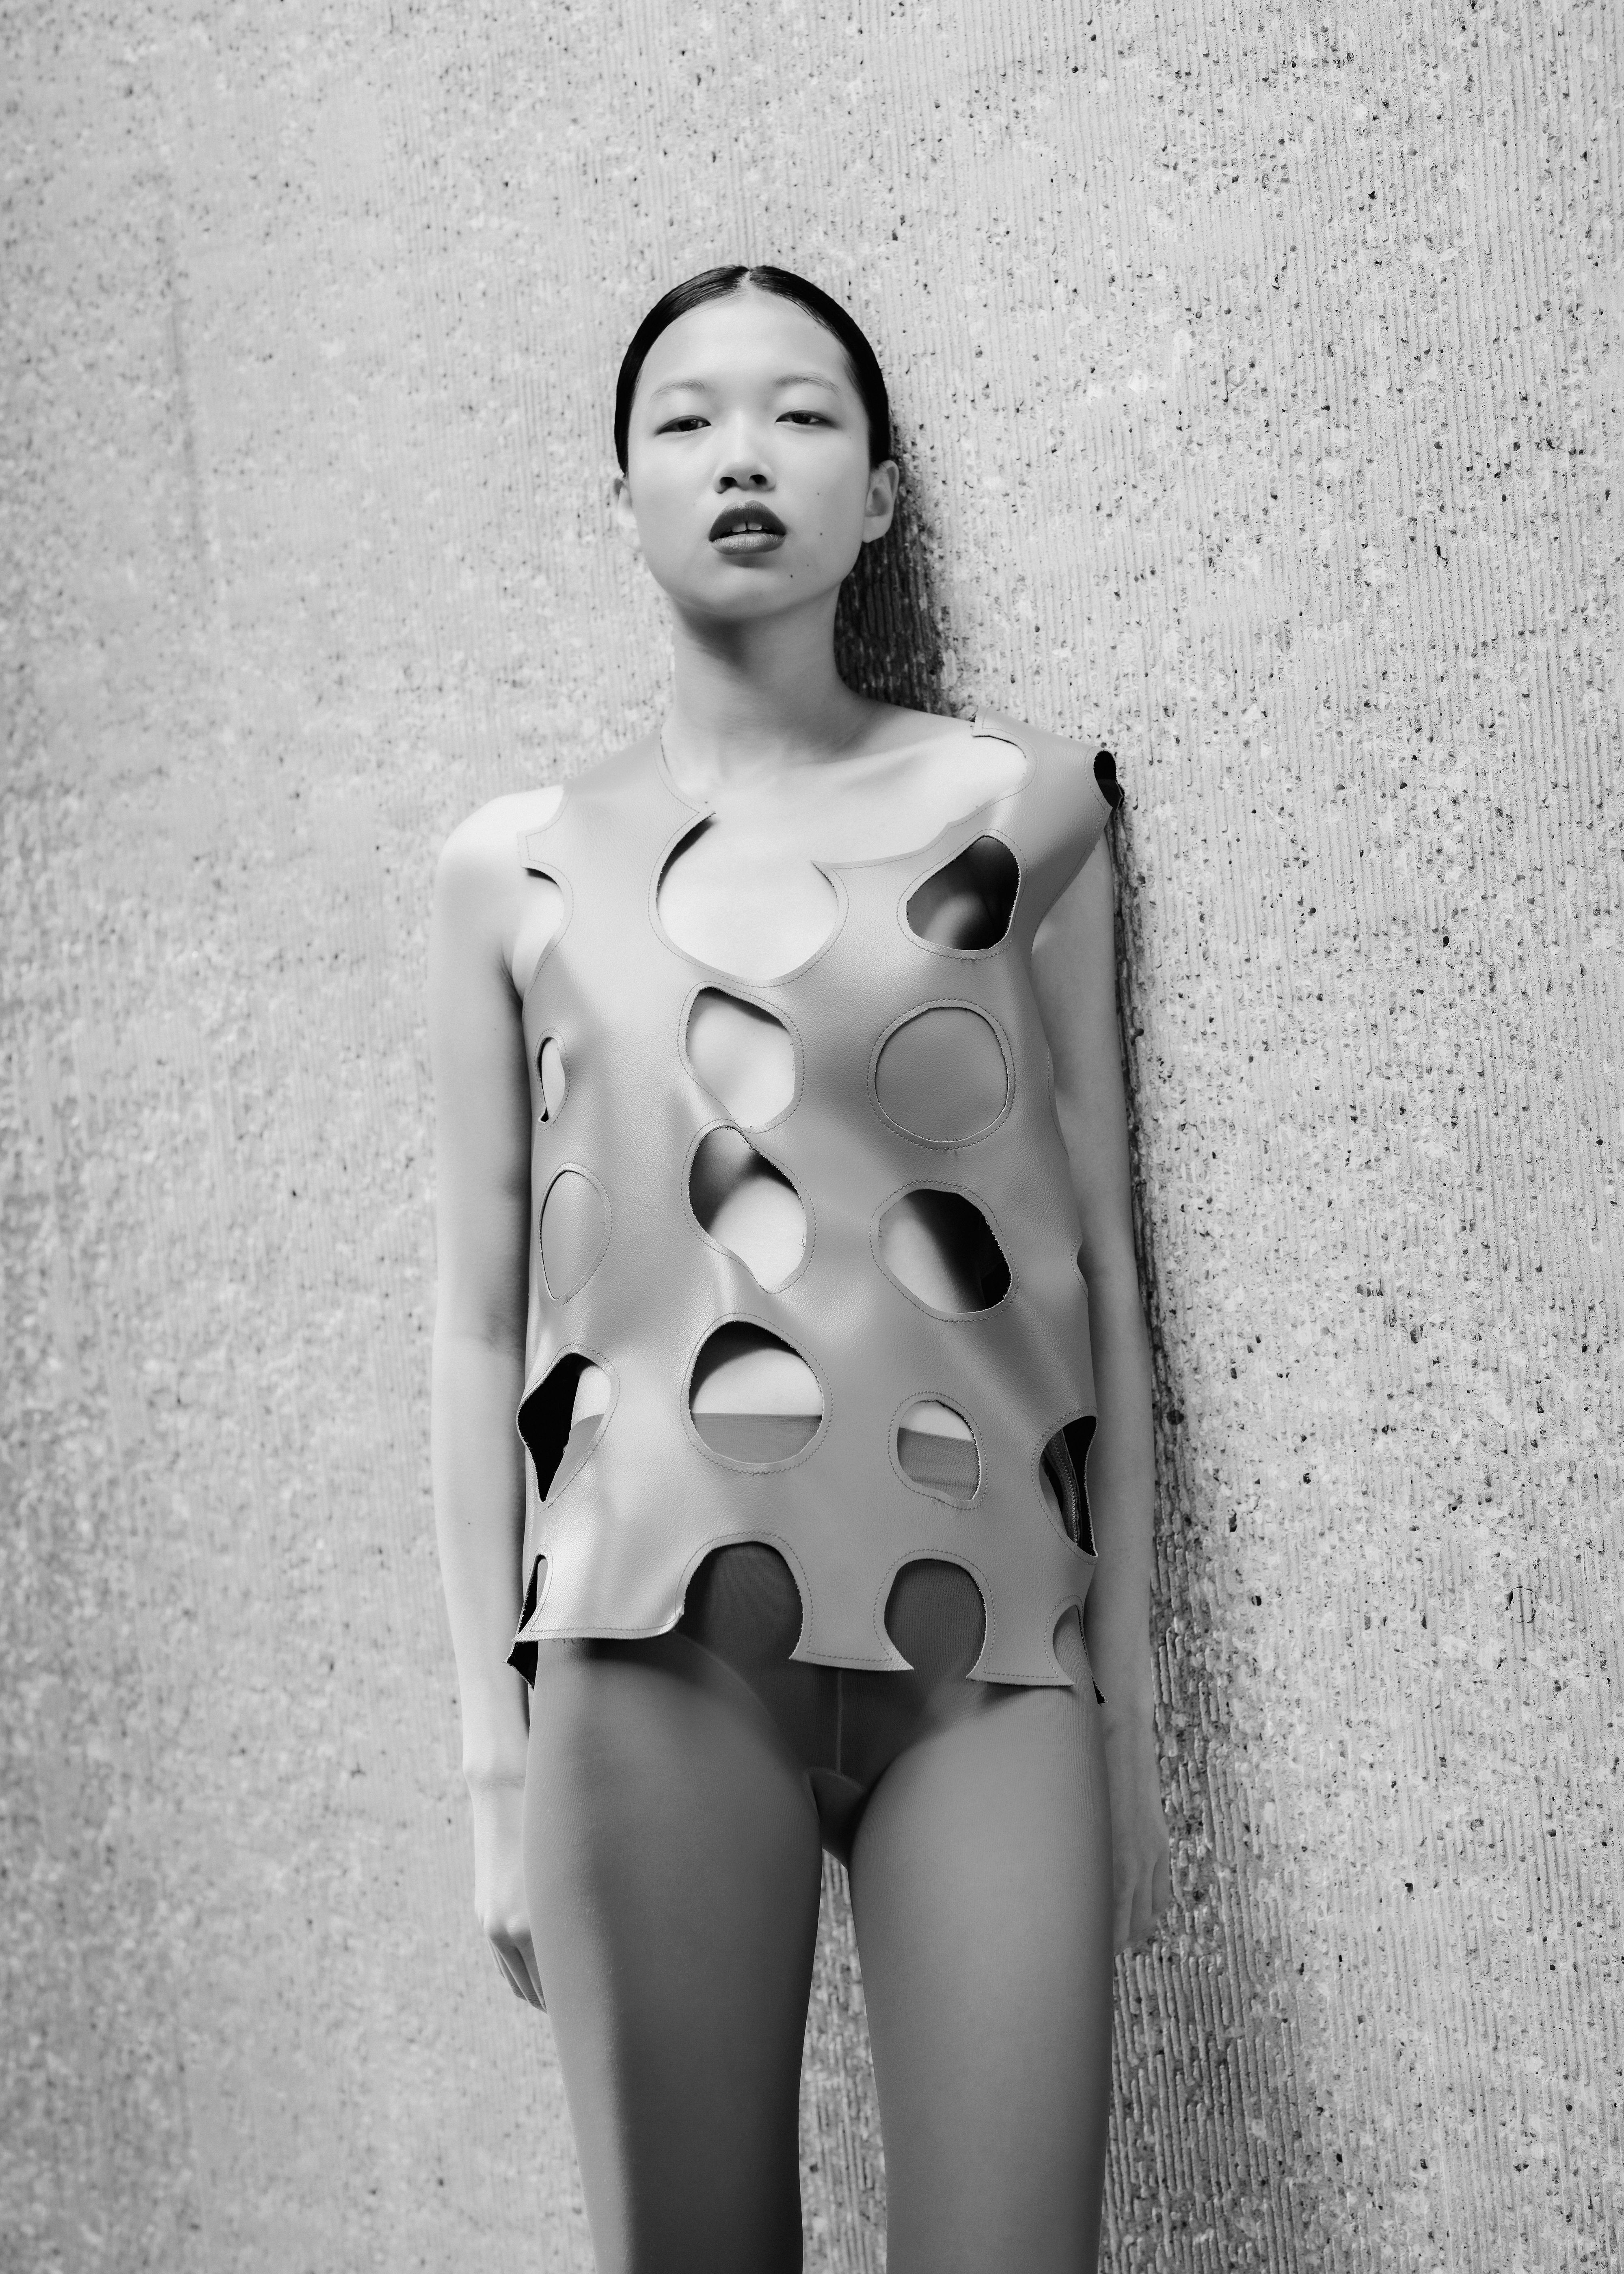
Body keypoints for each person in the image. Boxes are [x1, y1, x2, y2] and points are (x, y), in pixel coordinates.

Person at [428, 262, 1173, 2274]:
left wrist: (1134, 1694)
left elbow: (1102, 1256)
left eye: (799, 414)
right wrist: (494, 1755)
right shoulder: (512, 867)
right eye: (683, 418)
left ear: (886, 489)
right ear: (620, 497)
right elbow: (475, 1309)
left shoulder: (1031, 810)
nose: (741, 455)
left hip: (992, 1645)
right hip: (646, 1639)